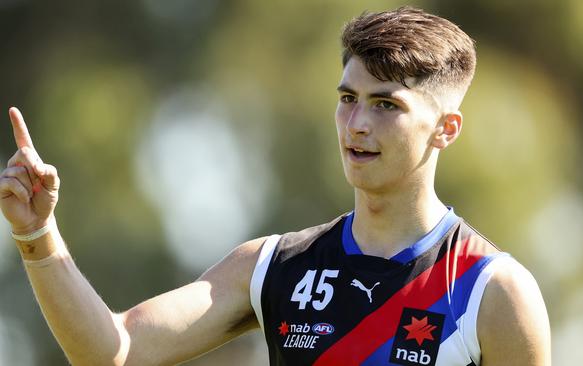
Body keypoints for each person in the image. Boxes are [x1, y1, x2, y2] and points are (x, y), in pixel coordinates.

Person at [0, 6, 550, 366]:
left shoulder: (493, 292)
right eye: (347, 99)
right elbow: (112, 350)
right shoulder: (274, 266)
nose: (357, 123)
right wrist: (37, 233)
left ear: (445, 130)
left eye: (386, 105)